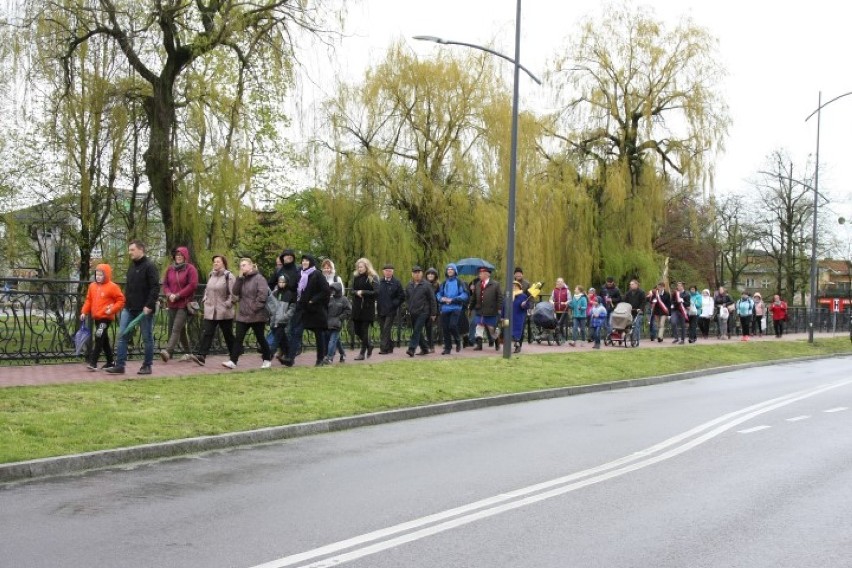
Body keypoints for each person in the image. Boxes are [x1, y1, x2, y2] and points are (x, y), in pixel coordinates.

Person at [106, 240, 160, 375]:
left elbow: (155, 287)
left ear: (141, 250)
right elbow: (130, 287)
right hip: (129, 308)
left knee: (147, 338)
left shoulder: (150, 266)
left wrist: (149, 305)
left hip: (144, 310)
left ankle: (147, 365)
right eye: (129, 250)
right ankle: (120, 365)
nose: (129, 252)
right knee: (123, 335)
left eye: (132, 250)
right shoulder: (131, 267)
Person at [222, 258, 272, 369]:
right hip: (243, 314)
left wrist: (254, 307)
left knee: (260, 338)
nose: (242, 267)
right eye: (241, 265)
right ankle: (233, 361)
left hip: (256, 315)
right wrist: (239, 278)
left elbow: (263, 295)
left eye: (244, 265)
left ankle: (267, 359)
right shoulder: (242, 279)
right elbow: (234, 292)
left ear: (251, 266)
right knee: (238, 338)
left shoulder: (259, 278)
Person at [80, 263, 125, 371]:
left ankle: (93, 362)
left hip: (106, 317)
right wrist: (84, 312)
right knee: (103, 340)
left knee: (99, 336)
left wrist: (112, 309)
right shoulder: (92, 286)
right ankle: (110, 362)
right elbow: (88, 300)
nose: (98, 277)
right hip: (96, 317)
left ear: (107, 275)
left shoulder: (112, 287)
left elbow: (121, 300)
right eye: (97, 274)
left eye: (101, 275)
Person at [192, 255, 235, 366]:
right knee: (208, 332)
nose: (215, 263)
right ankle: (201, 356)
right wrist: (205, 298)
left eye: (218, 262)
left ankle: (234, 354)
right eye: (214, 262)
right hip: (211, 310)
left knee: (228, 335)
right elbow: (208, 289)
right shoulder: (211, 275)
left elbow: (234, 293)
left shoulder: (229, 276)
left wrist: (227, 304)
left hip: (224, 311)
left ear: (223, 263)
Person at [160, 246, 199, 363]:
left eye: (181, 255)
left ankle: (168, 352)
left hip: (184, 303)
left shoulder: (190, 269)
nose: (179, 257)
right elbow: (165, 284)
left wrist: (178, 295)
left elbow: (192, 285)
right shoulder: (170, 269)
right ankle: (189, 353)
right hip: (172, 303)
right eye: (177, 255)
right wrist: (168, 294)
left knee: (176, 328)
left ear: (185, 257)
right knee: (180, 330)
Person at [297, 254, 331, 366]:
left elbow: (325, 290)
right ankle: (291, 354)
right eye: (303, 261)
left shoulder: (316, 274)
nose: (304, 263)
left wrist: (313, 300)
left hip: (316, 310)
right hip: (303, 308)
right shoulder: (301, 274)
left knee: (319, 334)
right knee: (296, 330)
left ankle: (320, 358)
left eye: (306, 261)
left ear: (311, 262)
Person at [436, 263, 468, 354]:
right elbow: (438, 294)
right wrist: (441, 298)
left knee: (452, 325)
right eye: (448, 269)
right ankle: (447, 348)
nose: (449, 270)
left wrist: (453, 299)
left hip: (456, 307)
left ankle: (458, 340)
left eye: (452, 269)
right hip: (445, 308)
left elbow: (464, 295)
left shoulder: (459, 282)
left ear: (455, 271)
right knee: (445, 329)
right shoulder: (444, 283)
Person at [405, 266, 437, 357]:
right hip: (413, 311)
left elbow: (432, 299)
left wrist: (433, 313)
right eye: (415, 272)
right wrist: (408, 307)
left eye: (419, 272)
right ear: (412, 274)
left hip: (424, 311)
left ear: (422, 274)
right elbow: (407, 297)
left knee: (417, 330)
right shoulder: (409, 285)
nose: (417, 274)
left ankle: (411, 349)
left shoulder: (426, 285)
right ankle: (425, 348)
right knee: (417, 331)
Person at [350, 258, 379, 360]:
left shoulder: (373, 277)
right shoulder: (356, 277)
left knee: (364, 330)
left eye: (361, 267)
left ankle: (362, 353)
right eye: (358, 267)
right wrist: (356, 292)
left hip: (367, 307)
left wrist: (363, 292)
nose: (359, 268)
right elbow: (352, 290)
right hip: (357, 307)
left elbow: (376, 292)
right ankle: (369, 345)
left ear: (366, 267)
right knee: (357, 330)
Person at [472, 266, 503, 350]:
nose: (479, 275)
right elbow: (474, 297)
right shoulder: (478, 284)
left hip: (491, 310)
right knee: (479, 327)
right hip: (479, 310)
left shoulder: (495, 284)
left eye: (481, 273)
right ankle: (479, 345)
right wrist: (470, 307)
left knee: (491, 328)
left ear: (487, 274)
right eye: (479, 273)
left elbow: (500, 297)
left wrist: (499, 308)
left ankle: (497, 342)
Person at [321, 258, 347, 361]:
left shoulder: (337, 278)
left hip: (336, 308)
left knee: (333, 333)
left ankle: (329, 356)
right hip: (325, 308)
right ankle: (342, 353)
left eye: (329, 267)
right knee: (332, 334)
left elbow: (342, 292)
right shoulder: (321, 278)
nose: (327, 270)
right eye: (325, 268)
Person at [376, 264, 405, 354]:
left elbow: (402, 296)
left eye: (390, 271)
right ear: (383, 272)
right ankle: (390, 346)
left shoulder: (396, 282)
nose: (388, 272)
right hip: (381, 310)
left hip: (391, 311)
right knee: (383, 329)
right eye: (386, 271)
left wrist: (394, 304)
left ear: (393, 272)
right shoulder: (379, 282)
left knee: (386, 329)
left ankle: (383, 349)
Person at [269, 275, 295, 364]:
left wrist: (285, 317)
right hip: (274, 320)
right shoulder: (275, 293)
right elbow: (270, 305)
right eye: (280, 282)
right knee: (283, 341)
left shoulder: (290, 294)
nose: (281, 284)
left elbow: (292, 308)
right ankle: (288, 357)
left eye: (283, 282)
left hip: (283, 321)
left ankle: (269, 355)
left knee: (276, 340)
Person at [324, 282, 351, 364]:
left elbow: (348, 310)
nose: (332, 291)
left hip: (337, 323)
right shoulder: (329, 299)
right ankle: (342, 354)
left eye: (334, 289)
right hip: (328, 322)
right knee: (336, 340)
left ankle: (329, 357)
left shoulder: (344, 299)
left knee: (332, 340)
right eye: (331, 289)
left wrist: (340, 318)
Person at [506, 281, 532, 353]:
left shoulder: (523, 296)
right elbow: (504, 306)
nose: (514, 287)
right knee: (507, 330)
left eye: (515, 286)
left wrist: (524, 305)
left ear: (519, 287)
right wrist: (502, 315)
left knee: (517, 332)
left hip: (518, 317)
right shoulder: (508, 295)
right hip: (509, 316)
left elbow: (527, 306)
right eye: (512, 286)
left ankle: (517, 346)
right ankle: (507, 345)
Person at [623, 279, 646, 345]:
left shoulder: (641, 292)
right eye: (630, 284)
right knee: (628, 325)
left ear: (636, 285)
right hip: (630, 312)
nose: (631, 285)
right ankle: (630, 337)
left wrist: (640, 309)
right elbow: (625, 300)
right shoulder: (628, 293)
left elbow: (643, 302)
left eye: (632, 284)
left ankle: (635, 339)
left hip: (639, 312)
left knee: (636, 325)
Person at [424, 267, 441, 352]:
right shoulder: (423, 284)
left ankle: (431, 346)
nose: (430, 275)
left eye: (432, 274)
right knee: (426, 328)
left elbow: (436, 299)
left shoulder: (437, 286)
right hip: (424, 309)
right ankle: (427, 345)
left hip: (433, 309)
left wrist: (434, 312)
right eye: (429, 274)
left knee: (430, 328)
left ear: (435, 276)